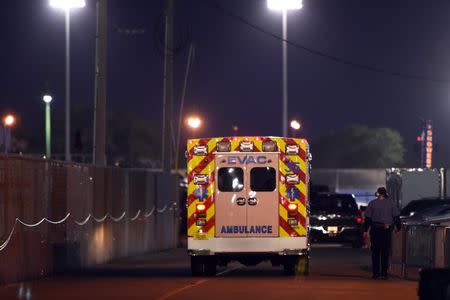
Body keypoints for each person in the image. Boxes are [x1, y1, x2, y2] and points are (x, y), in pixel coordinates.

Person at [364, 187, 401, 280]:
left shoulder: (372, 203)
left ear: (378, 193)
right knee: (385, 252)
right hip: (386, 230)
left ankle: (376, 273)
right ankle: (384, 273)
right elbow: (396, 217)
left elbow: (367, 218)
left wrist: (365, 230)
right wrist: (398, 228)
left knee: (375, 252)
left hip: (375, 229)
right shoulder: (391, 203)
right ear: (385, 194)